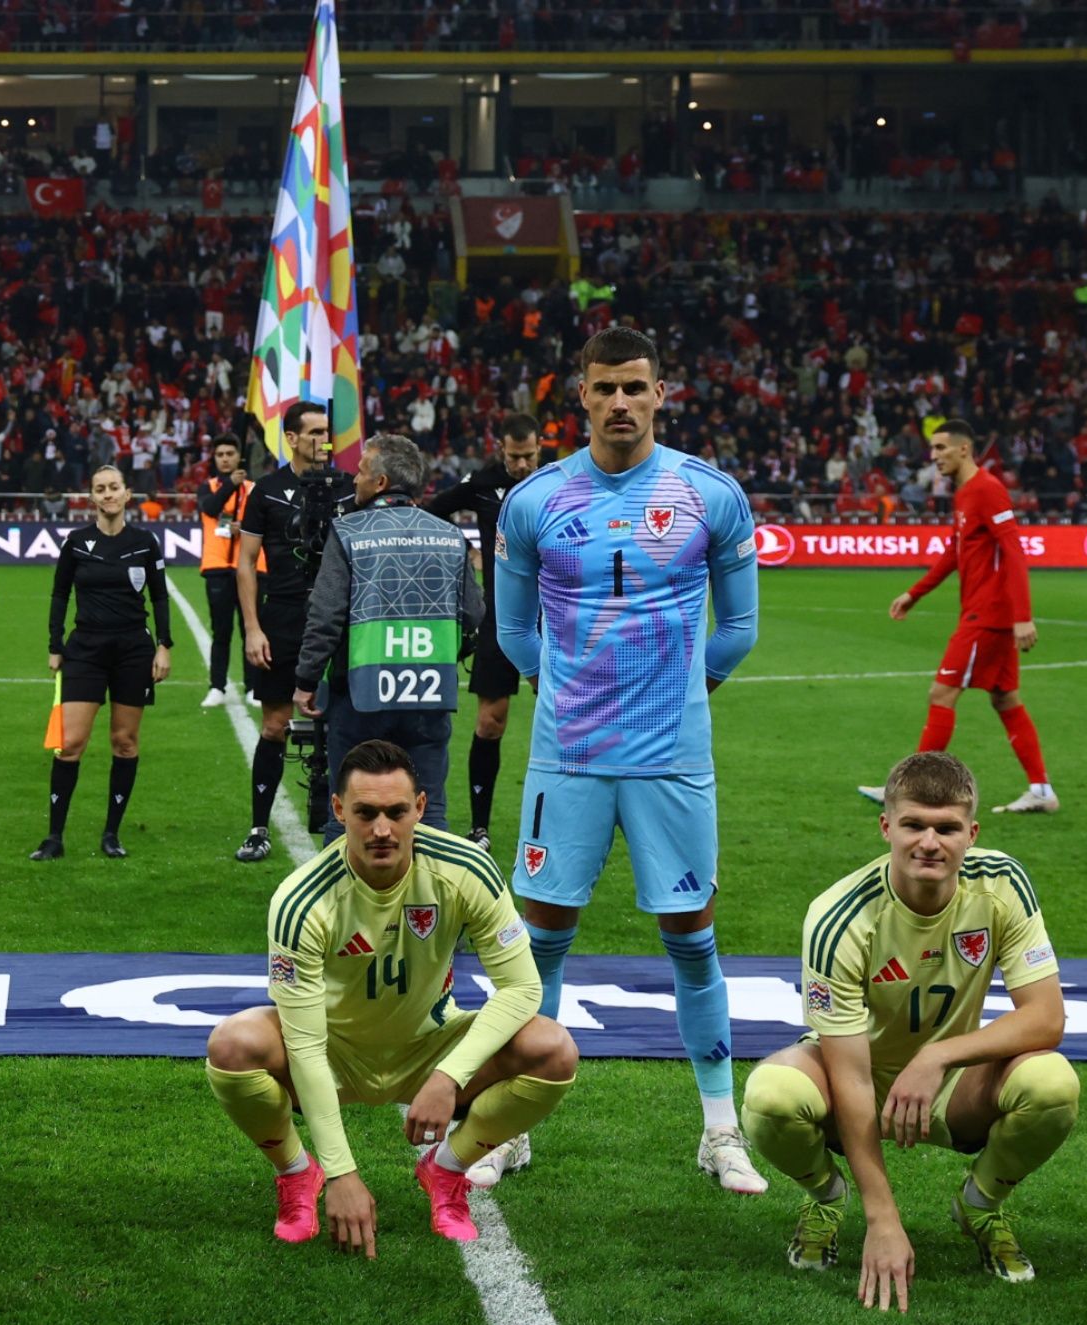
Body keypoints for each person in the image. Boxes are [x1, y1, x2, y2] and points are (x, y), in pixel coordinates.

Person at [492, 325, 767, 1195]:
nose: (620, 403)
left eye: (635, 387)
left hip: (671, 761)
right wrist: (558, 689)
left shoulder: (709, 494)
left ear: (660, 393)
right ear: (579, 395)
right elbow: (509, 628)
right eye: (604, 388)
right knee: (537, 947)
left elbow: (740, 627)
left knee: (692, 940)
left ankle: (721, 1131)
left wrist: (688, 693)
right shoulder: (533, 501)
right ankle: (509, 1124)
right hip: (566, 760)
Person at [204, 739, 575, 1256]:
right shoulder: (300, 901)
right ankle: (296, 1173)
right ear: (339, 811)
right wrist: (341, 1174)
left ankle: (445, 1172)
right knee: (233, 1044)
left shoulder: (466, 869)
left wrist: (450, 1076)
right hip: (335, 1053)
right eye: (366, 813)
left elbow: (523, 988)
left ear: (419, 808)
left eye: (397, 812)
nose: (382, 829)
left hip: (429, 1049)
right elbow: (307, 1046)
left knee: (552, 1049)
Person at [743, 752, 1079, 1310]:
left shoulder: (1003, 882)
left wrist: (939, 1055)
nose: (930, 842)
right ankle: (826, 1197)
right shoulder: (838, 918)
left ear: (972, 832)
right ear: (886, 827)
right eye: (914, 825)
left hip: (951, 1083)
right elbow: (850, 1079)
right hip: (858, 1073)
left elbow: (1047, 1018)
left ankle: (981, 1202)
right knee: (771, 1097)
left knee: (1052, 1083)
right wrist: (884, 1220)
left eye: (947, 828)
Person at [855, 419, 1056, 815]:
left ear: (964, 449)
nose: (934, 457)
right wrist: (916, 593)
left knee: (941, 694)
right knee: (1005, 699)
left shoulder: (988, 490)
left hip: (988, 616)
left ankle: (905, 790)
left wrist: (1022, 616)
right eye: (933, 450)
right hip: (984, 613)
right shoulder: (965, 493)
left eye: (941, 449)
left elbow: (1013, 551)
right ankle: (1042, 791)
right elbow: (954, 550)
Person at [295, 434, 479, 831]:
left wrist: (306, 679)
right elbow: (473, 613)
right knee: (427, 812)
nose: (354, 480)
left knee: (348, 811)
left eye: (361, 472)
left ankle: (344, 893)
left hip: (361, 695)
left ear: (380, 483)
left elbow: (325, 616)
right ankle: (429, 893)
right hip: (429, 694)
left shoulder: (348, 532)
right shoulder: (450, 537)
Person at [232, 400, 352, 861]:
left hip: (341, 618)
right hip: (282, 617)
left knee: (345, 722)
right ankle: (260, 827)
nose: (325, 440)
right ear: (292, 438)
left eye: (328, 431)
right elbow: (245, 563)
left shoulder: (347, 487)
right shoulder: (267, 490)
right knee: (276, 725)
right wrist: (252, 628)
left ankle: (340, 823)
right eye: (316, 432)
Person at [37, 465, 170, 861]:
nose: (108, 494)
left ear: (127, 494)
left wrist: (164, 645)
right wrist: (55, 643)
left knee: (124, 743)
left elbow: (159, 598)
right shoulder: (77, 542)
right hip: (85, 651)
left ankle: (112, 833)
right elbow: (60, 594)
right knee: (70, 745)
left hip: (133, 650)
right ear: (92, 498)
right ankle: (54, 837)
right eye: (100, 489)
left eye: (114, 487)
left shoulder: (145, 542)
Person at [423, 414, 545, 846]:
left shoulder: (555, 481)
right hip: (500, 620)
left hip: (554, 619)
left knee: (568, 719)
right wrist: (468, 548)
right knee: (491, 723)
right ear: (502, 450)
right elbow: (432, 511)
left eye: (529, 456)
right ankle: (479, 827)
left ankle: (570, 821)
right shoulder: (483, 482)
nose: (522, 465)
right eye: (515, 457)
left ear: (540, 448)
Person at [194, 434, 254, 708]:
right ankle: (217, 686)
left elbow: (264, 521)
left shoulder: (253, 489)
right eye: (220, 454)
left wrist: (244, 526)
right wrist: (231, 484)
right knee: (221, 631)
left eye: (230, 453)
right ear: (215, 459)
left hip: (249, 568)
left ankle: (253, 687)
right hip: (218, 567)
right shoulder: (207, 487)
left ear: (238, 456)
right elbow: (211, 508)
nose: (225, 458)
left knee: (250, 629)